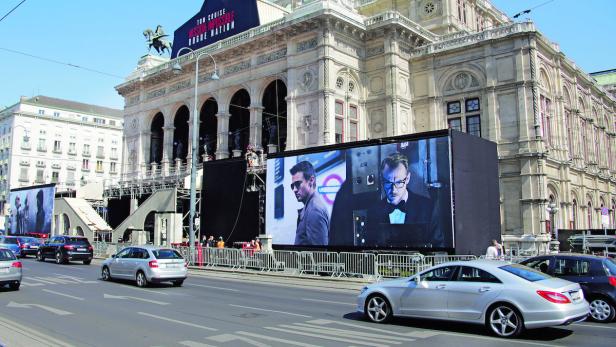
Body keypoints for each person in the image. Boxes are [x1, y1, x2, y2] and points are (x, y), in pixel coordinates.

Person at [365, 152, 441, 247]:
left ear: (408, 178)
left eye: (399, 182)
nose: (393, 189)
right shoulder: (373, 212)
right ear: (381, 180)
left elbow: (439, 248)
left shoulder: (428, 208)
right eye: (388, 182)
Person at [290, 161, 329, 246]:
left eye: (298, 184)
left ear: (311, 180)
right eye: (292, 186)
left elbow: (320, 256)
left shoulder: (314, 210)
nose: (294, 190)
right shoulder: (310, 207)